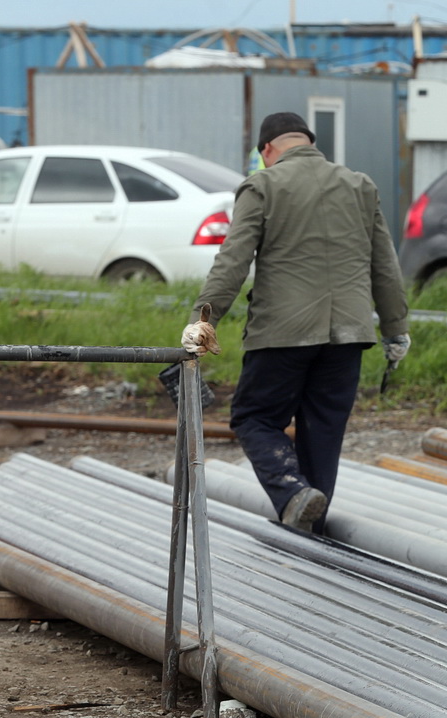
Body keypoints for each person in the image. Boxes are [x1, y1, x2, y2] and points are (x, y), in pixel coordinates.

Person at [181, 111, 409, 534]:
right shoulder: (360, 185)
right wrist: (396, 329)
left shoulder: (263, 184)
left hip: (282, 333)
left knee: (254, 418)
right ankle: (311, 527)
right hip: (350, 334)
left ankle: (290, 492)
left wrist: (202, 321)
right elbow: (385, 266)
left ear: (267, 150)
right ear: (308, 141)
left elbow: (232, 262)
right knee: (322, 432)